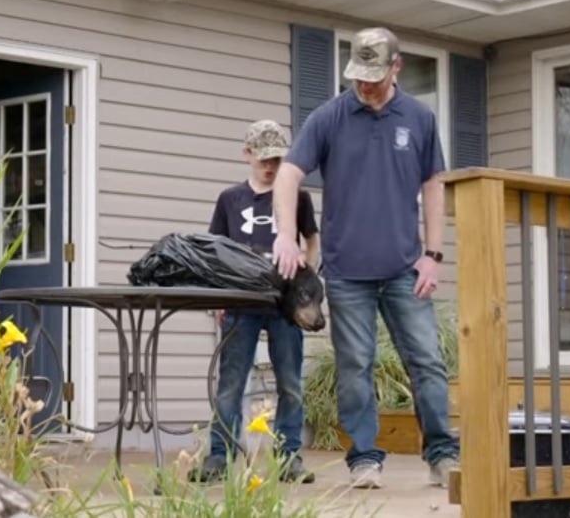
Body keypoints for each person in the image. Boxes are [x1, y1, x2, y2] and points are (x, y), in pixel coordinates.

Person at [270, 27, 460, 490]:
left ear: (396, 66)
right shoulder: (330, 117)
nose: (365, 85)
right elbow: (288, 175)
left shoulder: (418, 117)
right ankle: (365, 460)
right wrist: (286, 235)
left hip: (403, 268)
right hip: (347, 272)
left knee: (428, 362)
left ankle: (442, 456)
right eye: (359, 76)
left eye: (374, 76)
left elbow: (433, 185)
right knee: (355, 365)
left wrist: (433, 254)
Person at [188, 119, 320, 484]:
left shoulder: (298, 196)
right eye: (262, 158)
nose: (270, 166)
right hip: (240, 304)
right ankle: (221, 456)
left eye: (277, 159)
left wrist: (308, 282)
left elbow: (312, 240)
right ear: (247, 154)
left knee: (290, 383)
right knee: (231, 383)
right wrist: (217, 295)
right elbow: (214, 250)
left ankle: (289, 457)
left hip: (284, 307)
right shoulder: (231, 199)